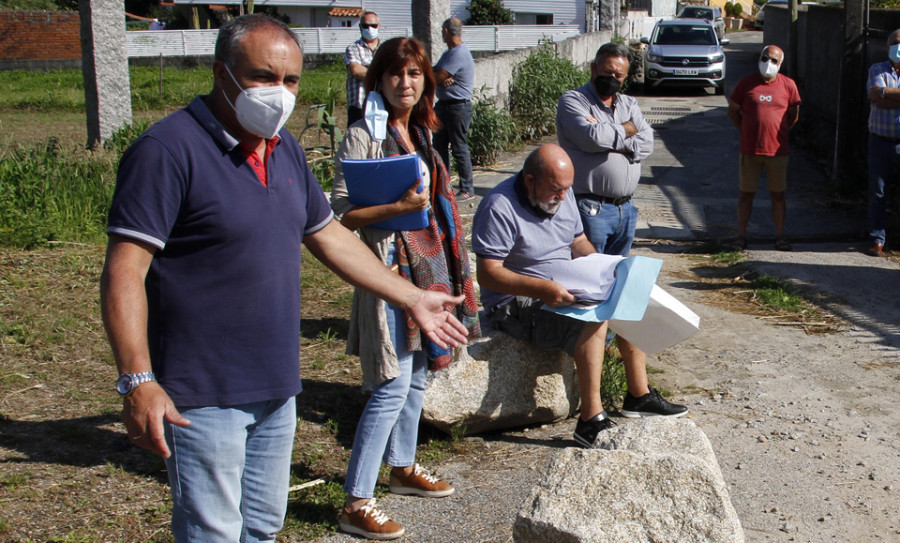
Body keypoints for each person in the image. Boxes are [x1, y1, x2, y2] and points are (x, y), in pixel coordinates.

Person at [100, 15, 469, 543]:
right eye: (262, 77)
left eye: (290, 80)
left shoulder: (285, 149)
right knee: (214, 532)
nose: (279, 93)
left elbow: (328, 236)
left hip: (276, 382)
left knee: (263, 528)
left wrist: (412, 296)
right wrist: (138, 380)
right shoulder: (167, 151)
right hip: (203, 389)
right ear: (220, 73)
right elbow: (123, 273)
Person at [330, 37, 481, 540]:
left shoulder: (422, 132)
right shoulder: (362, 137)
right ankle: (356, 500)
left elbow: (438, 209)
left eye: (415, 74)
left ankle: (403, 466)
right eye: (396, 74)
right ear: (379, 79)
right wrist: (396, 209)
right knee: (391, 386)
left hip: (429, 272)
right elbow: (340, 217)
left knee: (417, 377)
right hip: (389, 274)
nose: (406, 83)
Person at [471, 144, 687, 450]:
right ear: (530, 181)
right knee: (596, 320)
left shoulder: (563, 192)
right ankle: (590, 420)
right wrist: (541, 289)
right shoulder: (499, 206)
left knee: (627, 293)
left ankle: (639, 396)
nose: (562, 197)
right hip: (517, 302)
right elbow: (488, 273)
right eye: (555, 190)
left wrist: (603, 268)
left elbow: (579, 241)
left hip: (563, 285)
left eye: (567, 189)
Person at [555, 42, 661, 425]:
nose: (612, 77)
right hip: (590, 208)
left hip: (625, 210)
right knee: (590, 299)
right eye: (607, 70)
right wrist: (625, 135)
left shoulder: (629, 103)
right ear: (594, 65)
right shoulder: (573, 100)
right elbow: (589, 139)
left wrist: (617, 133)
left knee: (621, 294)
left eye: (619, 73)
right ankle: (591, 398)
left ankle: (634, 391)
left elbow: (646, 141)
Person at [727, 45, 801, 251]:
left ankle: (779, 236)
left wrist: (780, 132)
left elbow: (793, 115)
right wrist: (746, 130)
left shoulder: (788, 85)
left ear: (781, 64)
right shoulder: (746, 83)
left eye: (774, 60)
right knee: (746, 194)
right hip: (749, 150)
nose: (769, 63)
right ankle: (741, 236)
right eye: (765, 58)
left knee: (778, 195)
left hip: (777, 151)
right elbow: (733, 111)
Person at [865, 29, 900, 258]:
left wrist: (888, 94)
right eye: (895, 42)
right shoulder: (877, 69)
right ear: (888, 46)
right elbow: (876, 96)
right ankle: (877, 239)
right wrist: (883, 95)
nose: (899, 46)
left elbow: (883, 97)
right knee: (878, 192)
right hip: (880, 141)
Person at [432, 17, 476, 200]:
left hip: (457, 107)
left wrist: (440, 76)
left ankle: (467, 189)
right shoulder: (449, 53)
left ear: (445, 31)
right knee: (439, 147)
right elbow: (435, 72)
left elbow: (435, 76)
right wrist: (439, 75)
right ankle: (444, 186)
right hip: (445, 106)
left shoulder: (458, 53)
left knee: (459, 148)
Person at [345, 11, 380, 127]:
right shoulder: (353, 48)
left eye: (373, 25)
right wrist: (382, 73)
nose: (370, 29)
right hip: (359, 108)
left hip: (381, 106)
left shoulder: (385, 49)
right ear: (360, 27)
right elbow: (355, 70)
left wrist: (366, 69)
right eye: (366, 26)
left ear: (378, 26)